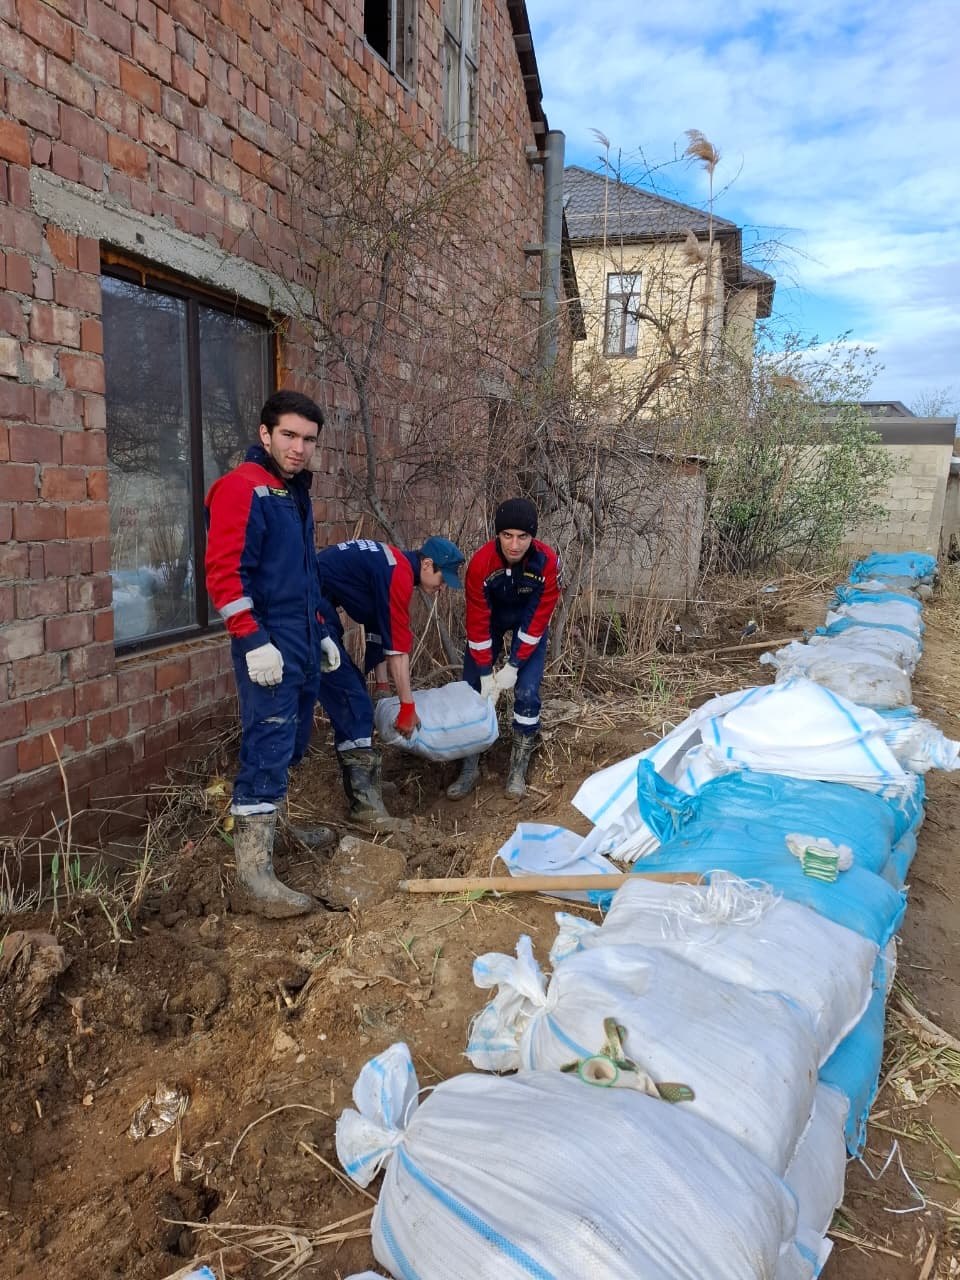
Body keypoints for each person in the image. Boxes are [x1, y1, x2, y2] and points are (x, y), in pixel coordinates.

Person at [205, 389, 341, 918]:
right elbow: (224, 572)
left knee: (293, 738)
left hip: (301, 636)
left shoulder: (292, 493)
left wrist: (322, 629)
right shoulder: (243, 489)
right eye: (289, 435)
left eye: (308, 439)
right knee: (268, 740)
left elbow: (303, 576)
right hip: (268, 642)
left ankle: (274, 827)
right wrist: (252, 639)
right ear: (265, 434)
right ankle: (254, 872)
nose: (299, 447)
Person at [315, 535, 465, 827]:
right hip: (306, 610)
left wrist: (382, 686)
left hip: (315, 603)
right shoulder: (398, 574)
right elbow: (397, 649)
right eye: (441, 579)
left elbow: (376, 626)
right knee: (353, 702)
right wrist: (407, 706)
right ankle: (364, 807)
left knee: (356, 693)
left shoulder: (391, 562)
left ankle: (364, 783)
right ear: (426, 563)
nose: (441, 588)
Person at [447, 498, 562, 801]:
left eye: (523, 536)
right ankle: (470, 765)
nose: (515, 544)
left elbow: (538, 617)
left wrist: (514, 665)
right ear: (497, 534)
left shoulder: (547, 562)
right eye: (507, 535)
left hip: (528, 623)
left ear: (532, 537)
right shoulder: (481, 564)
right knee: (474, 688)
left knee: (526, 691)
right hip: (491, 622)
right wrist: (486, 671)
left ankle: (518, 769)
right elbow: (477, 621)